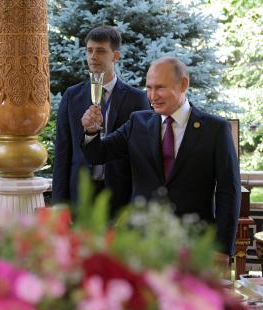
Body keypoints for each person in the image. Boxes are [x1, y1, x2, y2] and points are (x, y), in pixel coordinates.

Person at [81, 56, 241, 256]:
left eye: (160, 88)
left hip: (194, 246)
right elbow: (97, 154)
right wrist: (91, 132)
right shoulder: (137, 123)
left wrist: (222, 250)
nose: (152, 96)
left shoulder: (215, 130)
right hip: (143, 245)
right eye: (149, 88)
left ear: (183, 84)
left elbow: (229, 191)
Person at [52, 26, 149, 215]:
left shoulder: (137, 99)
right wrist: (59, 206)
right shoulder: (72, 96)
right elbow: (63, 152)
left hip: (121, 196)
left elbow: (141, 156)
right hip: (80, 195)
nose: (93, 56)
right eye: (89, 50)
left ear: (115, 56)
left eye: (101, 51)